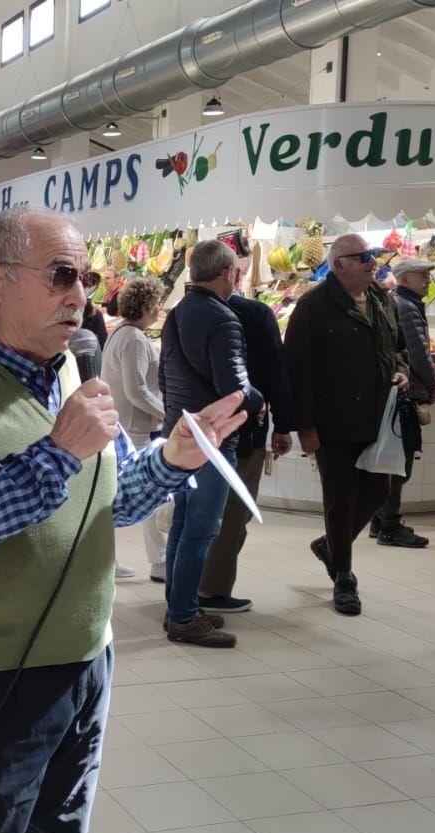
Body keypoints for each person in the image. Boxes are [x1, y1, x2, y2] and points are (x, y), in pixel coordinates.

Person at [0, 206, 244, 833]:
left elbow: (105, 505)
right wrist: (56, 452)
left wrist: (171, 459)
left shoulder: (72, 375)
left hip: (87, 662)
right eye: (59, 276)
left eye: (82, 277)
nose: (78, 295)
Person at [283, 234, 411, 616]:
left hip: (377, 418)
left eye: (373, 256)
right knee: (340, 501)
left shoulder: (381, 300)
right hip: (333, 419)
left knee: (377, 492)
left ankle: (330, 547)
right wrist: (303, 426)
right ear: (338, 265)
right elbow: (296, 370)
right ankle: (344, 577)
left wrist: (402, 372)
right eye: (363, 257)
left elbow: (398, 348)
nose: (373, 262)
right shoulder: (313, 307)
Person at [158, 240, 264, 647]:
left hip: (180, 432)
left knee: (184, 525)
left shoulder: (178, 312)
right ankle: (183, 617)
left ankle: (178, 604)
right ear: (227, 273)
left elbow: (165, 379)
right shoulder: (223, 319)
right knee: (202, 530)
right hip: (212, 440)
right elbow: (234, 388)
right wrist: (260, 400)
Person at [197, 253, 298, 610]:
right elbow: (274, 373)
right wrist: (282, 425)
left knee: (195, 510)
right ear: (233, 274)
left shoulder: (184, 312)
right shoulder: (254, 315)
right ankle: (212, 589)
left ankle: (184, 586)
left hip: (194, 431)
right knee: (233, 512)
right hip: (242, 429)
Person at [103, 276, 170, 583]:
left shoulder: (123, 334)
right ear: (146, 305)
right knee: (155, 495)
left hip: (125, 426)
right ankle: (159, 563)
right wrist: (167, 414)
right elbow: (136, 390)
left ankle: (109, 561)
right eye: (157, 303)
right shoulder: (133, 339)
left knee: (117, 497)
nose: (160, 308)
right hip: (133, 429)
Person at [370, 258, 435, 548]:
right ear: (406, 278)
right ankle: (390, 525)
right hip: (406, 393)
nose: (427, 281)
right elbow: (417, 353)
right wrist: (433, 383)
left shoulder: (398, 303)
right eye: (422, 276)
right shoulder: (407, 307)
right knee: (401, 462)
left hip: (398, 391)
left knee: (395, 460)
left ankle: (379, 520)